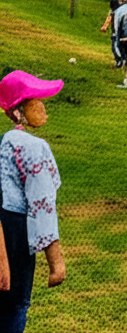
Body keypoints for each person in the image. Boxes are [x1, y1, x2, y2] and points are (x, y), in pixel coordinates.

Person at [0, 70, 66, 332]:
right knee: (15, 304)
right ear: (18, 112)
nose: (43, 108)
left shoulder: (5, 142)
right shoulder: (34, 148)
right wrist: (56, 262)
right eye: (35, 102)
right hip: (16, 230)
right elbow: (42, 205)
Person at [99, 0, 124, 68]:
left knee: (115, 47)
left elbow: (108, 19)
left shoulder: (113, 12)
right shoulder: (123, 11)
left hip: (116, 32)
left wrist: (105, 26)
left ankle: (119, 61)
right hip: (124, 32)